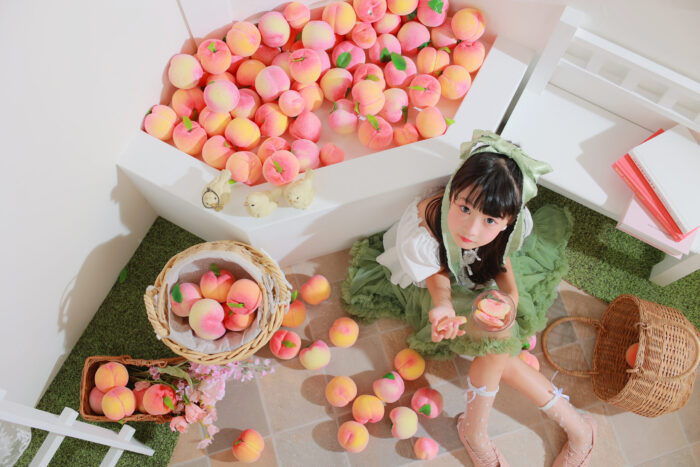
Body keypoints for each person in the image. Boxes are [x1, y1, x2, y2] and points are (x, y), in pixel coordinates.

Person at [342, 130, 596, 466]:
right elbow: (436, 275)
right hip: (433, 281)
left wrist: (511, 296)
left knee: (499, 340)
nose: (472, 230)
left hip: (476, 274)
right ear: (452, 192)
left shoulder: (511, 227)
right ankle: (572, 429)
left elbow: (501, 257)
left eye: (489, 220)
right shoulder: (422, 233)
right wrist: (443, 306)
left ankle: (507, 431)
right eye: (464, 208)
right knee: (499, 342)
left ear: (507, 221)